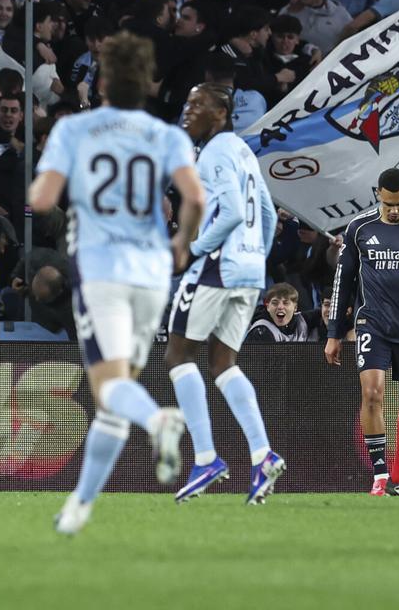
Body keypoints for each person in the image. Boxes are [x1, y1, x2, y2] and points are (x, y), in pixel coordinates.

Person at [29, 31, 205, 535]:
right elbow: (194, 199)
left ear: (102, 81)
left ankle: (159, 422)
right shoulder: (166, 135)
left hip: (103, 271)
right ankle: (79, 508)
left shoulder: (76, 129)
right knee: (112, 396)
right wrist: (181, 243)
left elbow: (42, 198)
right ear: (149, 82)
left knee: (109, 384)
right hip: (152, 274)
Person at [164, 83, 284, 504]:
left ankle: (206, 459)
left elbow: (232, 211)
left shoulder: (214, 151)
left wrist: (194, 249)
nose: (187, 111)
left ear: (220, 112)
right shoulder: (243, 150)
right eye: (186, 102)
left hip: (217, 266)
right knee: (223, 363)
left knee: (177, 355)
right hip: (249, 270)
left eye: (196, 104)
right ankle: (262, 453)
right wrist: (257, 259)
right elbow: (266, 213)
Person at [325, 167, 399, 496]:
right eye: (389, 203)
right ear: (378, 195)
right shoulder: (359, 228)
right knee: (372, 394)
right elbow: (342, 282)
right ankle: (380, 476)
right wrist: (334, 332)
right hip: (372, 323)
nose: (394, 210)